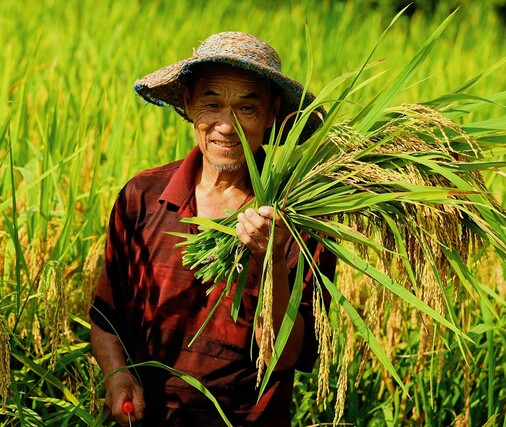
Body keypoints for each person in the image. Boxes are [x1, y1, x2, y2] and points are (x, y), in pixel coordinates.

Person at [89, 32, 335, 426]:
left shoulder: (298, 219)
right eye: (212, 103)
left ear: (271, 114)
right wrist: (117, 375)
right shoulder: (142, 198)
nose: (226, 125)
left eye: (247, 107)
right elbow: (106, 319)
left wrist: (268, 258)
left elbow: (285, 354)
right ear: (188, 104)